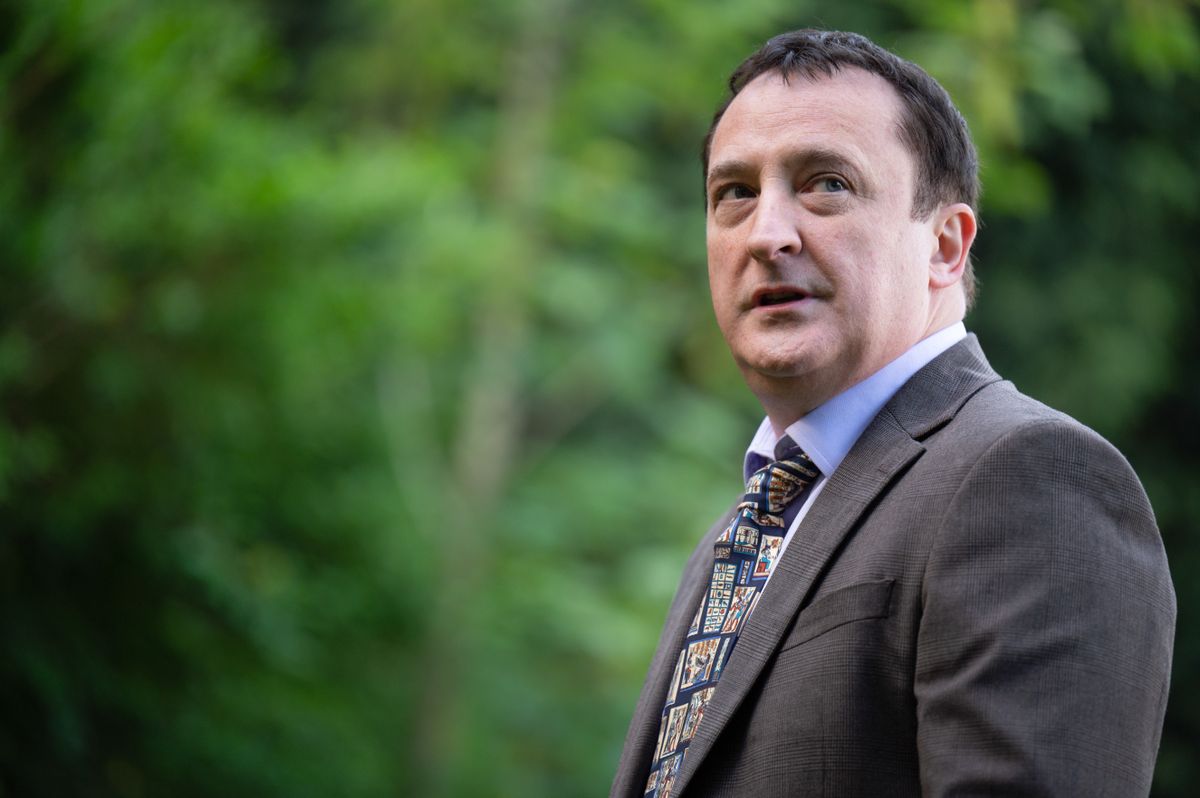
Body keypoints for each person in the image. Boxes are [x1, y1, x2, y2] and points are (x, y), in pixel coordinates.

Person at [611, 29, 1175, 798]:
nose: (768, 234)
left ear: (945, 244)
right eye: (734, 193)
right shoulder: (733, 542)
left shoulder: (1030, 478)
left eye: (826, 184)